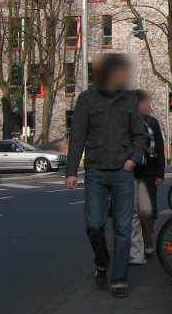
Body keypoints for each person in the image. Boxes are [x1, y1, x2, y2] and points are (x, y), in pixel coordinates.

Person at [65, 54, 147, 299]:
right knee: (94, 225)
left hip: (123, 172)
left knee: (123, 229)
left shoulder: (130, 100)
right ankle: (102, 262)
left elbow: (139, 135)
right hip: (96, 171)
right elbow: (77, 136)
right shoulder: (87, 100)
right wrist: (71, 172)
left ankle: (119, 280)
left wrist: (133, 159)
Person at [130, 91, 165, 265]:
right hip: (131, 172)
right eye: (147, 103)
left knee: (147, 211)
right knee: (134, 213)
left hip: (149, 173)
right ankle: (136, 253)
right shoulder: (127, 122)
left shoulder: (153, 123)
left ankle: (148, 241)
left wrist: (160, 173)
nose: (149, 106)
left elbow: (159, 147)